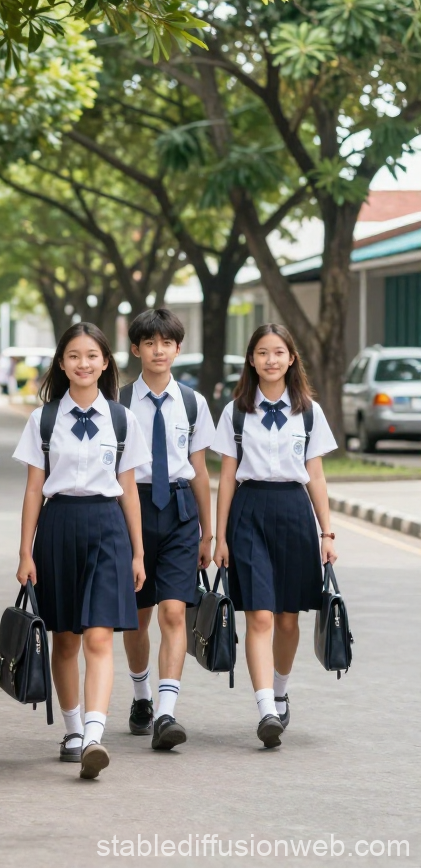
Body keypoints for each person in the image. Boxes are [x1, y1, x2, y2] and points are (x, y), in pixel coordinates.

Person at [14, 323, 150, 780]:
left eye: (92, 356)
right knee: (65, 637)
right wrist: (25, 552)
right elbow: (35, 489)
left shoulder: (122, 419)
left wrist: (138, 552)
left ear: (106, 362)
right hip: (59, 526)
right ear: (61, 363)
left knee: (98, 635)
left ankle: (94, 735)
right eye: (74, 356)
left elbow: (129, 489)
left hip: (108, 527)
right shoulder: (44, 420)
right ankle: (72, 730)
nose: (83, 364)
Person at [212, 323, 337, 749]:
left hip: (293, 513)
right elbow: (226, 477)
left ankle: (280, 690)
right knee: (260, 614)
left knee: (287, 617)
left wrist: (328, 532)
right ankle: (266, 707)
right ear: (251, 359)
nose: (270, 360)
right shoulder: (235, 411)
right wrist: (220, 536)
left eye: (278, 352)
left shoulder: (308, 411)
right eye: (262, 352)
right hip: (248, 513)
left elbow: (316, 476)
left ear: (291, 358)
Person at [118, 309, 216, 750]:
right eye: (150, 343)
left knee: (174, 612)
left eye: (167, 343)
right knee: (137, 616)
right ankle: (141, 694)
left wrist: (208, 533)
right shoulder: (117, 403)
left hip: (178, 512)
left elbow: (199, 470)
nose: (159, 351)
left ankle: (166, 712)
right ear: (136, 348)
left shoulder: (193, 403)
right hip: (130, 508)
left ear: (178, 349)